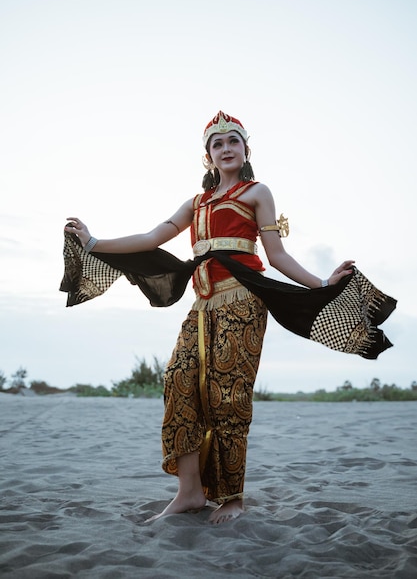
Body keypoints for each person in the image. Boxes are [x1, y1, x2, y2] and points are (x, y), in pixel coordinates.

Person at [63, 110, 394, 525]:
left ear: (245, 149)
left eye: (232, 141)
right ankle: (189, 493)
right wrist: (94, 241)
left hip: (243, 303)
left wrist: (320, 283)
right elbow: (151, 238)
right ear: (208, 157)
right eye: (217, 144)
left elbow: (276, 256)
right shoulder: (195, 203)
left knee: (228, 396)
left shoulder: (258, 193)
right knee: (178, 382)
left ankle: (233, 497)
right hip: (201, 306)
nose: (225, 148)